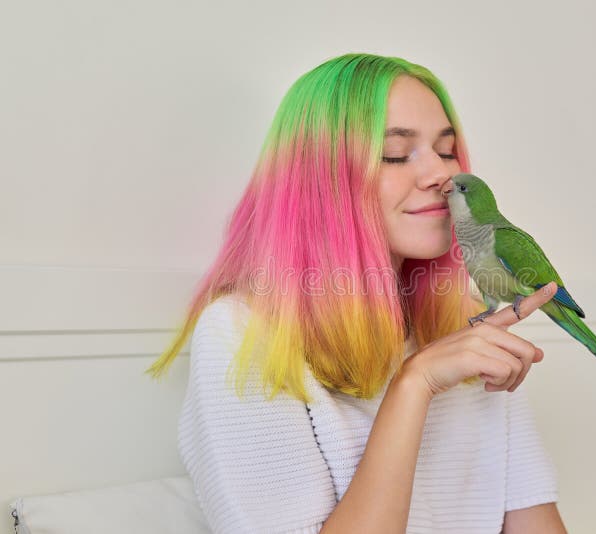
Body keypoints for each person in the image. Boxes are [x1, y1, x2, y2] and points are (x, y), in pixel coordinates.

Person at [145, 52, 568, 534]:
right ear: (321, 179)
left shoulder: (466, 326)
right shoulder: (241, 335)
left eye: (446, 150)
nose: (440, 175)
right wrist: (415, 385)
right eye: (394, 153)